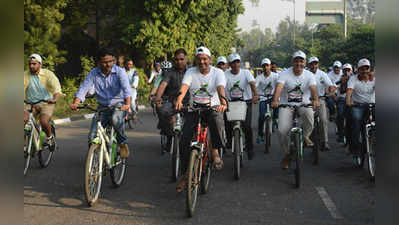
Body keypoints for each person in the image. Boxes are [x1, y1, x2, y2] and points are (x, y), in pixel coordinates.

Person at [175, 46, 228, 192]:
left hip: (213, 108)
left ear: (210, 60)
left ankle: (215, 151)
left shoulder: (218, 73)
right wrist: (179, 99)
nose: (202, 62)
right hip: (194, 109)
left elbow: (220, 88)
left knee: (217, 121)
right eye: (199, 59)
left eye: (205, 59)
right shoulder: (190, 71)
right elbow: (184, 86)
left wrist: (223, 102)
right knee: (184, 139)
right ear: (195, 61)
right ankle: (185, 175)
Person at [70, 48, 132, 159]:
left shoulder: (119, 72)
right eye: (104, 62)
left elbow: (127, 89)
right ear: (99, 62)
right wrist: (76, 102)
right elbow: (84, 88)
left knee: (115, 120)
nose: (108, 64)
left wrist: (127, 104)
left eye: (110, 61)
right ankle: (95, 160)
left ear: (114, 60)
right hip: (102, 107)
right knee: (92, 136)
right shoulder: (93, 73)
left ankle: (122, 143)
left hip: (118, 105)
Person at [271, 51, 320, 169]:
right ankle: (287, 154)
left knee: (309, 116)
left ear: (305, 62)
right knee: (282, 130)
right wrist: (276, 100)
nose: (299, 63)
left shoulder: (309, 75)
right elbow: (279, 87)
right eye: (296, 61)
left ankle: (306, 136)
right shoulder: (284, 74)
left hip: (304, 104)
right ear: (292, 62)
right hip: (286, 105)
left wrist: (315, 100)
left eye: (301, 61)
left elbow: (313, 89)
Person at [24, 54, 62, 151]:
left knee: (43, 121)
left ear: (40, 64)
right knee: (22, 119)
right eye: (30, 64)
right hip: (30, 103)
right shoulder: (25, 75)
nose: (31, 66)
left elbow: (57, 88)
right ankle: (24, 146)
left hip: (46, 103)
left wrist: (54, 99)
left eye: (34, 64)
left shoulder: (48, 74)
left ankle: (49, 138)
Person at [154, 49, 190, 151]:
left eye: (181, 59)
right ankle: (169, 136)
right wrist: (158, 98)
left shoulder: (191, 71)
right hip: (171, 101)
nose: (179, 62)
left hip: (188, 102)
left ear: (186, 59)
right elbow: (162, 85)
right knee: (162, 111)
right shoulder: (169, 72)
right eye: (177, 59)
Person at [225, 53, 259, 159]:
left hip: (246, 102)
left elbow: (252, 84)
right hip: (230, 103)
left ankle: (250, 148)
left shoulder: (246, 72)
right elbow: (220, 86)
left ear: (240, 63)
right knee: (227, 125)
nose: (236, 65)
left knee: (247, 127)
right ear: (230, 64)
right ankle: (230, 143)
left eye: (237, 62)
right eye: (233, 63)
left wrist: (255, 95)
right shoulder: (225, 74)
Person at [346, 59, 375, 155]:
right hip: (358, 105)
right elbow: (349, 91)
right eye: (362, 69)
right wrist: (348, 101)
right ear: (358, 70)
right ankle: (355, 145)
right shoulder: (353, 79)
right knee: (355, 119)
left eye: (366, 68)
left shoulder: (374, 78)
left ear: (369, 69)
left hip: (372, 104)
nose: (364, 71)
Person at [307, 56, 337, 151]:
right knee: (306, 119)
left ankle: (325, 142)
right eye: (312, 64)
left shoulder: (322, 74)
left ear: (318, 64)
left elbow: (330, 85)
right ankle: (305, 138)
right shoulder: (305, 74)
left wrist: (331, 90)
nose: (314, 65)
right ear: (309, 65)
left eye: (315, 63)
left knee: (323, 120)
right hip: (307, 100)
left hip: (320, 99)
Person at [255, 57, 279, 145]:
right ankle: (260, 135)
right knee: (261, 116)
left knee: (277, 105)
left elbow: (280, 85)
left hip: (273, 97)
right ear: (262, 67)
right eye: (264, 66)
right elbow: (255, 86)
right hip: (263, 98)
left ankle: (276, 118)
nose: (266, 67)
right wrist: (255, 95)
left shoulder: (276, 76)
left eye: (267, 65)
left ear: (270, 66)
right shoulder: (259, 77)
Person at [336, 63, 353, 143]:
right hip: (342, 99)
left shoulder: (355, 78)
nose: (347, 71)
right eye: (345, 70)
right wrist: (343, 82)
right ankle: (340, 134)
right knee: (340, 115)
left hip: (353, 100)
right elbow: (340, 89)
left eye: (348, 70)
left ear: (351, 70)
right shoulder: (341, 78)